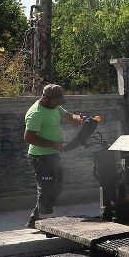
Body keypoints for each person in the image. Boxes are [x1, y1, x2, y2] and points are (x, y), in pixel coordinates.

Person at [23, 84, 87, 228]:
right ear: (46, 98)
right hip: (40, 157)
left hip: (53, 154)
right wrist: (53, 144)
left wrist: (80, 119)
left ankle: (35, 218)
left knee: (57, 187)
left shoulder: (55, 107)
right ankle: (45, 222)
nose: (59, 103)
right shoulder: (36, 113)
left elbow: (70, 117)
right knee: (46, 188)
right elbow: (29, 138)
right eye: (57, 101)